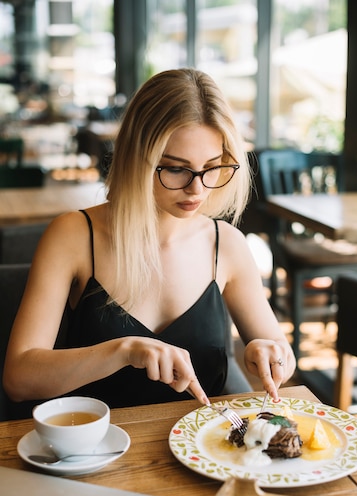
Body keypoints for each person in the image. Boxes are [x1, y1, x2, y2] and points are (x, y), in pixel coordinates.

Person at [3, 68, 295, 410]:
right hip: (96, 451)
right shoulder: (74, 236)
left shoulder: (226, 244)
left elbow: (279, 353)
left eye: (212, 166)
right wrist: (123, 351)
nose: (197, 188)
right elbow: (19, 379)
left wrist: (272, 354)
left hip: (207, 453)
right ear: (136, 159)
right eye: (175, 168)